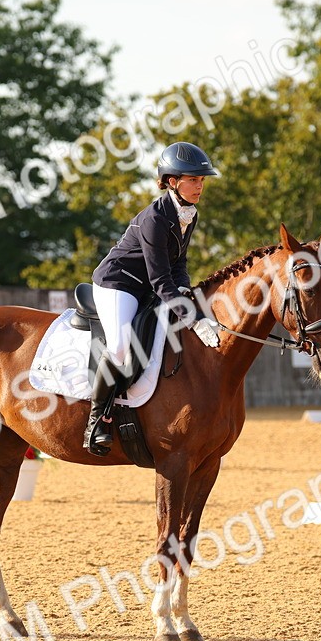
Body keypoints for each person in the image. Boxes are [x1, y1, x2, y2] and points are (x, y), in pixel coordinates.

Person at [84, 141, 223, 455]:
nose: (200, 185)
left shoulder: (189, 212)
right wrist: (192, 316)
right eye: (193, 180)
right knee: (120, 346)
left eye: (202, 180)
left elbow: (178, 264)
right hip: (119, 283)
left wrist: (186, 291)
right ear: (173, 182)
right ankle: (97, 419)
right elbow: (161, 279)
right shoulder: (154, 219)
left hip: (147, 285)